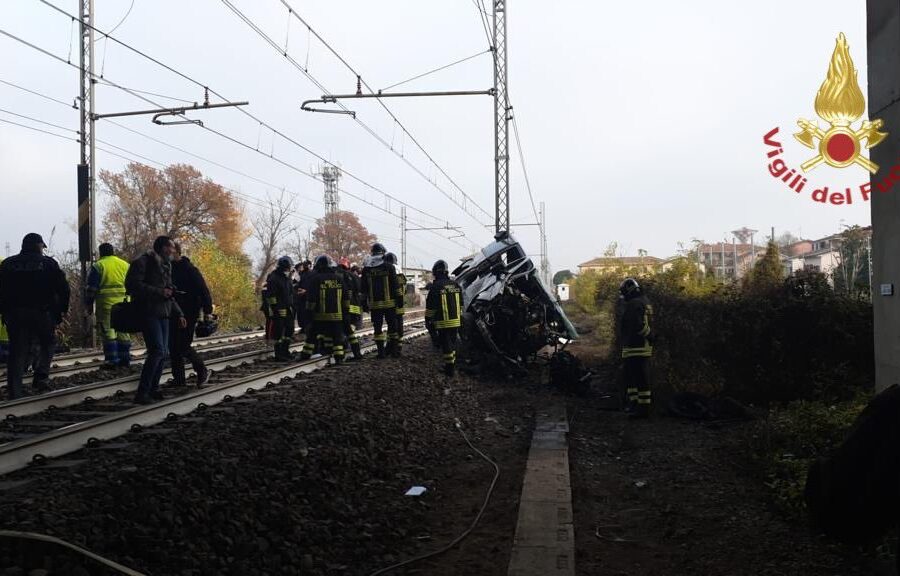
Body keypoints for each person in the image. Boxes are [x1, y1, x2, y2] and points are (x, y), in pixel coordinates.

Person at [0, 234, 70, 399]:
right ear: (39, 246)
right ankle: (41, 377)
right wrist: (61, 310)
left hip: (15, 314)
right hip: (42, 313)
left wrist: (4, 312)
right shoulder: (48, 264)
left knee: (17, 350)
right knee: (48, 343)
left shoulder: (8, 264)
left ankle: (15, 391)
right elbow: (63, 289)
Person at [125, 235, 186, 404]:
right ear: (162, 247)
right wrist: (160, 292)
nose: (173, 251)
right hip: (148, 312)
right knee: (157, 351)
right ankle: (143, 392)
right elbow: (132, 285)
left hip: (164, 312)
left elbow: (168, 291)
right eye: (170, 247)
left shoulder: (166, 265)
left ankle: (153, 389)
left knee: (163, 352)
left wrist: (179, 313)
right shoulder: (143, 262)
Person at [170, 243, 213, 387]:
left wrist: (208, 311)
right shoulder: (166, 269)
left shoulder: (190, 269)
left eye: (171, 251)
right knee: (173, 347)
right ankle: (179, 380)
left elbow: (203, 290)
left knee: (183, 345)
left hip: (189, 311)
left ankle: (202, 371)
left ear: (177, 252)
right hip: (172, 311)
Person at [84, 243, 132, 368]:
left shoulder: (99, 266)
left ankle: (112, 360)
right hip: (124, 304)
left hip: (106, 305)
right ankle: (125, 359)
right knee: (124, 331)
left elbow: (91, 288)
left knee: (109, 332)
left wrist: (89, 304)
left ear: (101, 253)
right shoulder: (125, 265)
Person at [300, 255, 347, 363]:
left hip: (319, 317)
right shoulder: (339, 279)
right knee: (337, 338)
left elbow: (311, 299)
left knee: (311, 338)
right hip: (337, 317)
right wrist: (345, 313)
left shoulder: (315, 279)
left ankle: (305, 355)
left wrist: (308, 315)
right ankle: (339, 358)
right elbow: (345, 298)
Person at [619, 277, 654, 418]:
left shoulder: (634, 304)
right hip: (636, 347)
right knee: (632, 377)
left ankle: (642, 409)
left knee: (639, 378)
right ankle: (634, 404)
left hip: (636, 346)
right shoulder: (644, 302)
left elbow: (637, 325)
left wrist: (648, 335)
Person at [360, 243, 398, 359]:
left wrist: (364, 304)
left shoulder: (367, 269)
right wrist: (399, 301)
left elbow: (363, 289)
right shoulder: (390, 267)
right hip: (390, 304)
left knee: (377, 328)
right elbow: (395, 286)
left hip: (375, 305)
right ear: (383, 253)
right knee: (392, 328)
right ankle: (394, 352)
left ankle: (381, 353)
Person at [425, 260, 462, 376]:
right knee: (452, 343)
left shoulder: (436, 287)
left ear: (436, 272)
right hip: (456, 321)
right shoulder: (456, 284)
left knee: (446, 346)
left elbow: (431, 306)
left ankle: (449, 370)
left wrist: (428, 320)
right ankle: (452, 365)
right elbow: (461, 303)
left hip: (443, 322)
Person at [265, 256, 295, 361]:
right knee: (278, 332)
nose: (290, 270)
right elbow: (271, 296)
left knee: (290, 330)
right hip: (279, 310)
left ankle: (285, 351)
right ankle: (279, 354)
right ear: (284, 267)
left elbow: (290, 293)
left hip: (288, 309)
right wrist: (276, 309)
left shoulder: (286, 278)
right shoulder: (274, 278)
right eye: (288, 268)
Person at [338, 257, 363, 361]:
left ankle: (343, 346)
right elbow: (360, 291)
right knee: (351, 329)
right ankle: (356, 352)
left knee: (344, 329)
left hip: (343, 307)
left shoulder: (337, 276)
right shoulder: (354, 277)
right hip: (354, 307)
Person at [384, 253, 406, 357]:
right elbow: (402, 290)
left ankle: (390, 347)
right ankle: (397, 348)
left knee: (391, 327)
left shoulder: (388, 272)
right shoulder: (400, 273)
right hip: (399, 305)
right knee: (398, 327)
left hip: (390, 305)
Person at [293, 260, 312, 334]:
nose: (304, 266)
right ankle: (303, 327)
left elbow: (314, 285)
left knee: (307, 313)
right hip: (300, 297)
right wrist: (297, 289)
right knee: (301, 314)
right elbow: (294, 282)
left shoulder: (313, 274)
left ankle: (308, 327)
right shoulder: (300, 274)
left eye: (306, 265)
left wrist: (306, 291)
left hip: (308, 296)